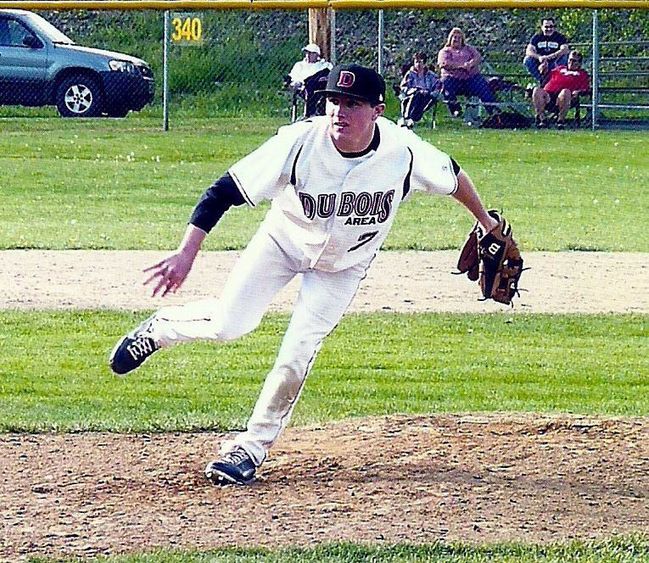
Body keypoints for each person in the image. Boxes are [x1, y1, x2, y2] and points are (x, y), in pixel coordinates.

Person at [109, 63, 500, 487]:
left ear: (377, 110)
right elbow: (222, 191)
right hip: (282, 243)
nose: (340, 111)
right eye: (334, 100)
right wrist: (187, 252)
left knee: (297, 354)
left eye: (353, 103)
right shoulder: (299, 143)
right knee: (228, 324)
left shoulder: (403, 152)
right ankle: (162, 328)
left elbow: (453, 174)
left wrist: (485, 222)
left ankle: (250, 448)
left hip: (343, 268)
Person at [437, 27, 498, 117]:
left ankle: (494, 111)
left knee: (483, 86)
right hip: (453, 79)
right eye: (454, 37)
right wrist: (461, 66)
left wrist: (470, 64)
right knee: (445, 84)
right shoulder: (445, 51)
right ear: (450, 39)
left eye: (459, 37)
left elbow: (477, 57)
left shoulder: (469, 49)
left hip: (470, 79)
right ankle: (456, 110)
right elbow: (443, 63)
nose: (456, 39)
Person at [532, 50, 590, 129]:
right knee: (536, 90)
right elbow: (546, 76)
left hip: (566, 97)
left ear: (579, 63)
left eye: (574, 61)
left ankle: (560, 121)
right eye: (569, 60)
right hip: (548, 96)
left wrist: (578, 92)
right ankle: (543, 120)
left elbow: (586, 89)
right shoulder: (559, 69)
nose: (571, 62)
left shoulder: (582, 74)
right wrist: (543, 69)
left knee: (565, 92)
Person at [286, 43, 333, 118]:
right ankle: (310, 114)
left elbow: (330, 76)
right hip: (304, 87)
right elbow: (293, 77)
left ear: (317, 55)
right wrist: (295, 83)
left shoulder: (324, 65)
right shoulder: (299, 65)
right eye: (307, 53)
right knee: (310, 83)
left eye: (311, 53)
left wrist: (325, 78)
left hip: (320, 86)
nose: (308, 55)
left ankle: (316, 113)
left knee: (322, 74)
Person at [397, 52, 442, 129]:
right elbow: (403, 87)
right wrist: (413, 90)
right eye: (416, 62)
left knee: (422, 97)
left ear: (424, 63)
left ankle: (408, 118)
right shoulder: (410, 74)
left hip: (427, 96)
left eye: (420, 62)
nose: (418, 64)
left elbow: (438, 86)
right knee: (417, 95)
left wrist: (430, 92)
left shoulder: (431, 75)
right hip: (412, 95)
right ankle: (410, 119)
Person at [523, 17, 570, 86]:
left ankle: (549, 80)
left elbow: (565, 49)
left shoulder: (560, 37)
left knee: (565, 58)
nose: (549, 29)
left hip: (555, 62)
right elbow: (528, 51)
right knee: (527, 60)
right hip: (540, 64)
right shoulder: (537, 37)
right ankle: (544, 80)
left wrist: (549, 57)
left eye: (551, 26)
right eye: (546, 27)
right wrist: (539, 57)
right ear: (542, 27)